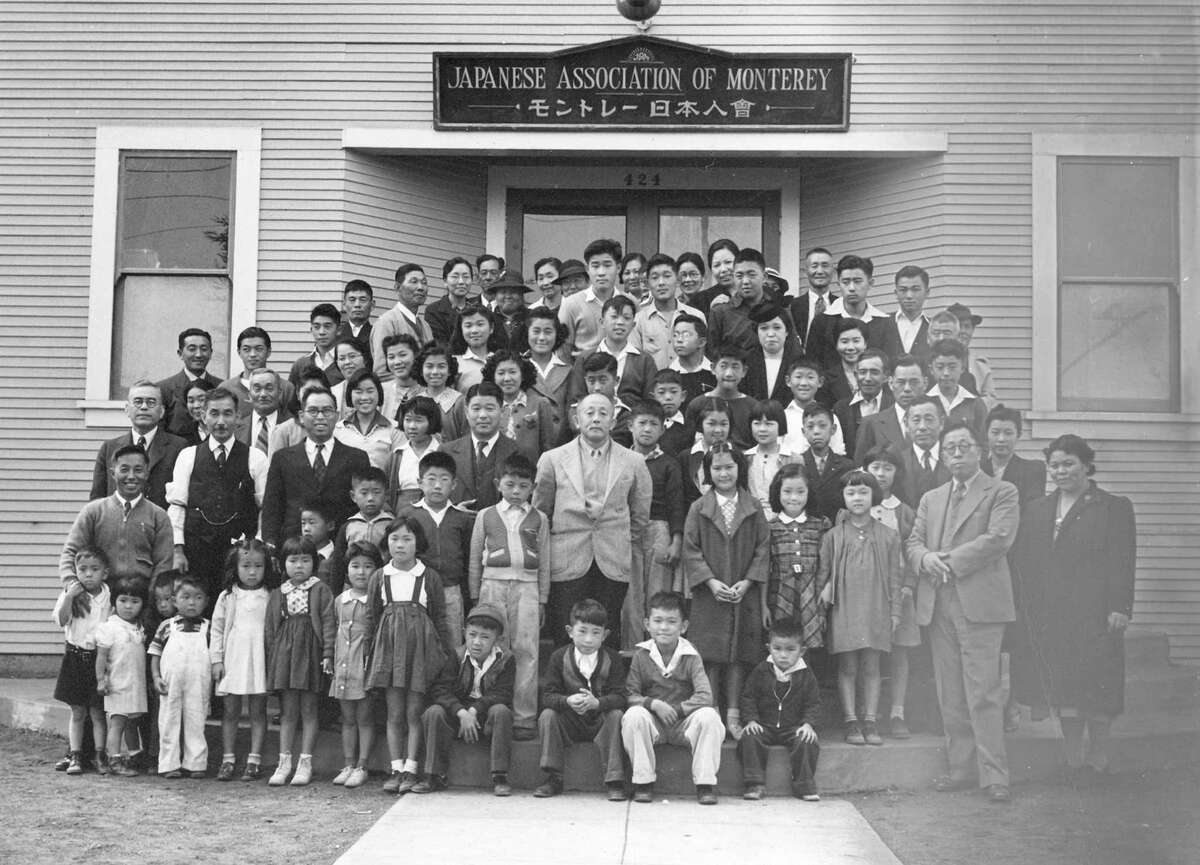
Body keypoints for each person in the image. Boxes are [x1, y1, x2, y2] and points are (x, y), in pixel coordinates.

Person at [905, 420, 1019, 803]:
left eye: (964, 446)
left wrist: (945, 561)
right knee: (950, 691)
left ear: (979, 451)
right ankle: (962, 769)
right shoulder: (932, 498)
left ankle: (995, 775)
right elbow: (914, 542)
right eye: (949, 448)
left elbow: (998, 539)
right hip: (938, 603)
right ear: (942, 455)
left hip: (980, 602)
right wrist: (925, 559)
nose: (956, 454)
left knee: (983, 691)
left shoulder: (1001, 491)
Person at [1012, 435, 1136, 782]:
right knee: (1064, 685)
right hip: (1054, 615)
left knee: (1098, 685)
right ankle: (1072, 759)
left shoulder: (1112, 506)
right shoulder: (1038, 508)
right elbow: (1028, 561)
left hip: (1097, 614)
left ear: (1086, 465)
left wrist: (1120, 606)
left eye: (1068, 464)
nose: (1060, 471)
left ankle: (1099, 757)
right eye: (1054, 465)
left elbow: (1123, 559)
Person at [535, 392, 652, 649]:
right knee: (565, 632)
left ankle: (605, 676)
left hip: (612, 557)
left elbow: (640, 514)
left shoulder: (634, 461)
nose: (596, 419)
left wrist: (618, 537)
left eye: (603, 413)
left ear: (613, 422)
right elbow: (541, 512)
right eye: (589, 413)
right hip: (567, 557)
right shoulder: (553, 459)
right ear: (577, 420)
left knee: (607, 633)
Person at [683, 442, 769, 739]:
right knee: (711, 654)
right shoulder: (699, 508)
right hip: (711, 595)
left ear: (739, 469)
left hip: (744, 594)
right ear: (708, 472)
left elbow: (762, 548)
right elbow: (690, 549)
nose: (723, 473)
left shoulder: (753, 506)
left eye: (729, 467)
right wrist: (710, 581)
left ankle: (733, 715)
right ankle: (712, 714)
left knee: (738, 656)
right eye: (717, 468)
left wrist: (747, 582)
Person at [365, 515, 454, 794]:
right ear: (387, 542)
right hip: (390, 651)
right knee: (394, 712)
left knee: (415, 712)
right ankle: (395, 768)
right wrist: (370, 653)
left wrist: (444, 654)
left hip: (419, 652)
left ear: (418, 543)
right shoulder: (380, 577)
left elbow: (439, 618)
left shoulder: (428, 576)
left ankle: (412, 769)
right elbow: (371, 618)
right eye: (394, 539)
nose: (400, 545)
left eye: (407, 539)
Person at [467, 453, 549, 741]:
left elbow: (545, 561)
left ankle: (524, 718)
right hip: (492, 586)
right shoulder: (485, 515)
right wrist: (475, 595)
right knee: (494, 648)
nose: (516, 491)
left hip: (527, 588)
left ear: (533, 488)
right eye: (510, 484)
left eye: (523, 486)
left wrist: (542, 599)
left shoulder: (539, 518)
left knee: (527, 650)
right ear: (497, 484)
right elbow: (475, 557)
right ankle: (493, 713)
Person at [819, 470, 903, 747]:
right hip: (844, 607)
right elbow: (823, 574)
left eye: (863, 492)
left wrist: (895, 612)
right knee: (848, 665)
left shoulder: (889, 536)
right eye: (851, 493)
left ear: (873, 495)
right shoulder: (833, 536)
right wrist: (824, 600)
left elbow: (895, 577)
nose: (857, 498)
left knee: (871, 665)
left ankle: (870, 719)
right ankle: (851, 720)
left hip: (875, 607)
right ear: (843, 497)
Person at [165, 387, 267, 606]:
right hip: (197, 552)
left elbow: (265, 509)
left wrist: (257, 546)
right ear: (204, 416)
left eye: (227, 414)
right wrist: (178, 550)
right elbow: (177, 506)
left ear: (238, 417)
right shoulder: (188, 456)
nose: (221, 421)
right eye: (214, 413)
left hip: (240, 556)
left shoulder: (255, 458)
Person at [621, 590, 725, 805]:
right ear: (647, 624)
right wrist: (653, 704)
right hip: (655, 724)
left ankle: (705, 784)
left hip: (682, 725)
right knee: (634, 715)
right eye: (658, 621)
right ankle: (643, 782)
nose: (664, 627)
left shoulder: (690, 656)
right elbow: (630, 694)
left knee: (709, 716)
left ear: (683, 626)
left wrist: (678, 710)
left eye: (671, 621)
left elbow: (705, 696)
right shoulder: (641, 656)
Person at [414, 603, 514, 796]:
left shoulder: (506, 659)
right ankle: (434, 774)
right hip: (457, 715)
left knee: (501, 711)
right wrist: (461, 712)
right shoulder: (456, 656)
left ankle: (500, 775)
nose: (477, 642)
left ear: (497, 639)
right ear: (464, 633)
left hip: (485, 716)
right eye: (472, 635)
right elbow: (441, 689)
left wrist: (474, 710)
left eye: (485, 637)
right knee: (433, 712)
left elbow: (503, 693)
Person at [535, 598, 628, 800]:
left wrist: (598, 703)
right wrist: (567, 701)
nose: (588, 639)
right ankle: (554, 776)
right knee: (548, 715)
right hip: (571, 722)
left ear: (605, 635)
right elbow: (547, 696)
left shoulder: (612, 658)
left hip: (600, 722)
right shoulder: (559, 657)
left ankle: (614, 779)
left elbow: (621, 696)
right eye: (582, 631)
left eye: (595, 633)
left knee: (617, 715)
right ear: (570, 631)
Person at [264, 536, 336, 787]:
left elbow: (328, 623)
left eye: (305, 560)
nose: (299, 566)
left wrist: (328, 654)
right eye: (293, 560)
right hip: (286, 654)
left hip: (310, 651)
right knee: (288, 711)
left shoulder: (321, 590)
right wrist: (273, 659)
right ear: (283, 563)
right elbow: (271, 629)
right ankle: (284, 762)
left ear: (313, 563)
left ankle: (305, 762)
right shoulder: (278, 593)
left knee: (309, 709)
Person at [261, 387, 371, 548]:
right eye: (313, 411)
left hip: (341, 547)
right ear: (301, 416)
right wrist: (270, 544)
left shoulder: (357, 458)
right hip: (294, 548)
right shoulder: (283, 458)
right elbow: (272, 508)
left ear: (337, 416)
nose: (320, 417)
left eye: (327, 410)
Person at [861, 445, 920, 739]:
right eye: (875, 467)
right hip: (865, 594)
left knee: (899, 653)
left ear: (897, 472)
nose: (881, 474)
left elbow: (912, 550)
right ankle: (868, 713)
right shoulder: (856, 505)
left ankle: (898, 712)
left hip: (899, 592)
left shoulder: (904, 511)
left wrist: (908, 585)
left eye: (887, 468)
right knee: (869, 654)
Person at [62, 444, 175, 589]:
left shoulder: (158, 516)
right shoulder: (93, 511)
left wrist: (152, 595)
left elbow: (163, 564)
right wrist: (73, 585)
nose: (131, 476)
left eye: (138, 470)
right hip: (98, 594)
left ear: (147, 474)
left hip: (140, 596)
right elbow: (70, 552)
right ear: (113, 473)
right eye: (124, 470)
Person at [210, 539, 276, 782]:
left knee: (258, 710)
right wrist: (217, 660)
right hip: (233, 658)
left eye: (258, 566)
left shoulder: (270, 595)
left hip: (259, 658)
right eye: (246, 566)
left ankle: (254, 760)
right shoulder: (228, 596)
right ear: (235, 567)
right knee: (231, 710)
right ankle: (228, 759)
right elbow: (217, 629)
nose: (252, 572)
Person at [738, 618, 822, 801]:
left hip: (793, 727)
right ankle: (755, 783)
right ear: (769, 648)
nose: (783, 655)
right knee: (750, 737)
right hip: (765, 726)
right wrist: (751, 720)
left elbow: (813, 703)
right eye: (777, 649)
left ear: (802, 651)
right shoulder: (761, 671)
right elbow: (748, 697)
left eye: (790, 650)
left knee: (806, 740)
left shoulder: (806, 674)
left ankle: (804, 785)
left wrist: (808, 724)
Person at [398, 451, 475, 648]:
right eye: (431, 479)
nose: (438, 485)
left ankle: (450, 669)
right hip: (416, 588)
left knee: (451, 641)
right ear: (420, 482)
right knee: (418, 641)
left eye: (444, 479)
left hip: (451, 589)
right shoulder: (409, 515)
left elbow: (468, 557)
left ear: (454, 484)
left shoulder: (461, 518)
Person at [627, 400, 686, 642]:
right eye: (642, 423)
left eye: (654, 424)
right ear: (630, 425)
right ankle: (632, 650)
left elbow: (676, 504)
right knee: (630, 595)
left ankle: (658, 649)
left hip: (659, 529)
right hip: (628, 531)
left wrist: (676, 540)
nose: (647, 429)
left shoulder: (669, 463)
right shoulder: (622, 459)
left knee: (658, 594)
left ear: (662, 429)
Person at [52, 547, 112, 775]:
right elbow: (61, 620)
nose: (88, 574)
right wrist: (69, 597)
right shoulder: (71, 593)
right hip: (75, 657)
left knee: (97, 711)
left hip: (98, 659)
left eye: (94, 569)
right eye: (83, 569)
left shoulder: (109, 596)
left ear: (105, 573)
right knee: (77, 711)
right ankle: (75, 755)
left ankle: (99, 755)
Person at [330, 540, 381, 789]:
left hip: (364, 664)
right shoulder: (340, 600)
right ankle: (348, 763)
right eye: (355, 566)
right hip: (343, 664)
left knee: (364, 717)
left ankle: (362, 765)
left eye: (368, 566)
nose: (361, 572)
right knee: (347, 718)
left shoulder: (377, 601)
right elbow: (334, 631)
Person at [148, 574, 211, 778]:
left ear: (206, 601)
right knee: (169, 719)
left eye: (198, 598)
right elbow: (155, 653)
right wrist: (156, 677)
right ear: (175, 601)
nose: (192, 603)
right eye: (186, 597)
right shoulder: (167, 626)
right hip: (171, 681)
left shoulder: (208, 628)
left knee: (196, 719)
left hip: (198, 681)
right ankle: (169, 764)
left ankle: (196, 763)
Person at [90, 380, 187, 509]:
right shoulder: (109, 448)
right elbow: (97, 500)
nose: (144, 407)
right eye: (138, 402)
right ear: (127, 409)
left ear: (162, 411)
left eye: (151, 402)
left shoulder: (179, 447)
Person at [765, 464, 831, 650]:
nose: (793, 498)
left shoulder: (821, 525)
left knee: (808, 647)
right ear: (778, 492)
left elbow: (826, 565)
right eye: (787, 491)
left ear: (809, 493)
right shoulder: (770, 527)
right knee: (783, 644)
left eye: (800, 492)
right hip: (780, 595)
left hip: (812, 594)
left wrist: (826, 591)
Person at [93, 575, 147, 777]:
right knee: (118, 722)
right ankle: (114, 759)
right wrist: (101, 680)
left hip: (135, 684)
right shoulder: (110, 627)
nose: (128, 606)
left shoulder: (139, 627)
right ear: (114, 601)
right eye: (123, 600)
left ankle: (134, 756)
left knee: (133, 722)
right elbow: (101, 656)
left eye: (135, 601)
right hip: (117, 683)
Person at [439, 381, 521, 512]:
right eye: (476, 409)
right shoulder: (446, 452)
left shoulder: (518, 452)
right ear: (466, 412)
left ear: (502, 411)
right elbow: (436, 496)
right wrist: (453, 510)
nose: (483, 415)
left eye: (490, 409)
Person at [566, 294, 658, 407]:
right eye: (614, 317)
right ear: (602, 322)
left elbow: (651, 403)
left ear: (633, 325)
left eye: (626, 318)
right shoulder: (585, 357)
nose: (620, 322)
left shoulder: (644, 360)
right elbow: (575, 401)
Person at [706, 247, 793, 361]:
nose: (745, 281)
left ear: (764, 277)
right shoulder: (720, 312)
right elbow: (712, 355)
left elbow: (793, 352)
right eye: (739, 276)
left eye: (751, 275)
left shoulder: (780, 309)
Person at [805, 254, 887, 373]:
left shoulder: (883, 323)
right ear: (839, 284)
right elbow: (812, 367)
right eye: (846, 282)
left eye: (857, 281)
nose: (851, 288)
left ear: (870, 283)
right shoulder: (822, 322)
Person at [325, 466, 393, 595]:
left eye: (376, 492)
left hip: (383, 588)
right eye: (364, 493)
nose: (370, 498)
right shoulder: (348, 526)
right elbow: (338, 565)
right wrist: (336, 595)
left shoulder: (392, 525)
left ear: (386, 495)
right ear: (353, 496)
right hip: (352, 589)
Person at [632, 253, 705, 369]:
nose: (661, 282)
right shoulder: (638, 321)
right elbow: (635, 364)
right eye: (655, 278)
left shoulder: (696, 316)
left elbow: (703, 360)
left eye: (667, 276)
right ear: (647, 284)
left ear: (678, 281)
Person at [484, 350, 556, 466]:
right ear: (493, 377)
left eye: (513, 372)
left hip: (531, 471)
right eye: (501, 373)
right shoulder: (487, 405)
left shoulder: (540, 403)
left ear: (523, 375)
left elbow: (548, 448)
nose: (507, 378)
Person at [559, 238, 624, 356]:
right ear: (587, 269)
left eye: (607, 265)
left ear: (618, 268)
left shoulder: (629, 303)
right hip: (582, 366)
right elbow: (562, 351)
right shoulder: (570, 304)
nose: (601, 272)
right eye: (595, 266)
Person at [683, 344, 755, 450]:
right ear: (713, 368)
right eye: (723, 366)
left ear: (744, 371)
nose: (729, 373)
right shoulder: (697, 404)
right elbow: (688, 444)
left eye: (735, 367)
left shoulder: (752, 406)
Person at [855, 354, 926, 459]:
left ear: (925, 383)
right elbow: (861, 465)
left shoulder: (938, 422)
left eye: (913, 382)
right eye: (901, 382)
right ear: (891, 383)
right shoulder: (871, 424)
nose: (907, 388)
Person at [156, 328, 222, 438]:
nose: (198, 354)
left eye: (204, 349)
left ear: (211, 353)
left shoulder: (222, 387)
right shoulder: (163, 389)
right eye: (192, 349)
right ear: (180, 353)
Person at [220, 326, 296, 420]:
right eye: (246, 349)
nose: (252, 354)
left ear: (268, 352)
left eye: (259, 349)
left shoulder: (285, 388)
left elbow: (293, 424)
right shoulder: (226, 388)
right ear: (239, 352)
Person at [334, 368, 403, 470]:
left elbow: (399, 468)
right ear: (350, 394)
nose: (364, 397)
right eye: (358, 392)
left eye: (370, 391)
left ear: (379, 393)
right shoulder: (338, 429)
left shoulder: (395, 429)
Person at [372, 263, 432, 379]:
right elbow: (381, 372)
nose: (421, 287)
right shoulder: (386, 322)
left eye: (424, 282)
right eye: (414, 282)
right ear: (397, 287)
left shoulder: (426, 326)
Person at [833, 348, 894, 462]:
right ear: (855, 375)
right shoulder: (841, 408)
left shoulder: (893, 405)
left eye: (874, 372)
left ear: (885, 376)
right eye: (862, 372)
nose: (867, 378)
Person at [799, 404, 857, 522]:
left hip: (839, 528)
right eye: (810, 426)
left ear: (833, 429)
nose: (816, 431)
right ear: (803, 431)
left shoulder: (847, 467)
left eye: (822, 426)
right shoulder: (798, 464)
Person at [778, 357, 847, 456]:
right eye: (798, 377)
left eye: (810, 377)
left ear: (820, 382)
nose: (803, 383)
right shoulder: (781, 417)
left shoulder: (831, 417)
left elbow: (837, 452)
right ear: (788, 381)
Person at [893, 395, 951, 510]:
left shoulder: (955, 458)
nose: (922, 427)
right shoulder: (897, 461)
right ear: (906, 424)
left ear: (942, 423)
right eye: (916, 420)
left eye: (929, 420)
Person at [385, 395, 442, 511]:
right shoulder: (396, 455)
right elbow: (386, 492)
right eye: (408, 420)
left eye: (419, 420)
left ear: (431, 422)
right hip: (402, 514)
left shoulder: (442, 451)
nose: (412, 426)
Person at [743, 301, 805, 405]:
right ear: (757, 332)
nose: (771, 334)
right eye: (764, 328)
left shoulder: (799, 362)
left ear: (787, 331)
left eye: (777, 328)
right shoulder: (746, 362)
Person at [982, 405, 1044, 508]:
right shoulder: (977, 470)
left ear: (1018, 435)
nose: (1001, 439)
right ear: (987, 434)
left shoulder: (1032, 471)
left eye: (1008, 433)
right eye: (995, 433)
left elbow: (1033, 511)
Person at [744, 398, 797, 517]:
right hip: (752, 518)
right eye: (757, 423)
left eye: (769, 424)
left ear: (780, 425)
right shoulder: (746, 458)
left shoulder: (792, 459)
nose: (762, 429)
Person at [928, 338, 988, 439]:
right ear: (931, 369)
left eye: (952, 367)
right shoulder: (924, 402)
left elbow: (983, 441)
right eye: (940, 367)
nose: (946, 373)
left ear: (962, 368)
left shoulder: (975, 404)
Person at [522, 307, 571, 425]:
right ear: (527, 333)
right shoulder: (517, 368)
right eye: (536, 331)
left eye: (548, 332)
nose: (542, 338)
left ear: (557, 334)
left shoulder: (568, 370)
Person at [680, 397, 732, 509]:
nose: (718, 430)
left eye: (724, 424)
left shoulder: (737, 456)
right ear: (700, 424)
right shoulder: (686, 457)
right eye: (711, 424)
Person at [947, 302, 999, 408]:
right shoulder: (934, 361)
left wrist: (974, 405)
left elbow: (990, 399)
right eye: (959, 326)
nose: (963, 332)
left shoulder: (980, 366)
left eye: (967, 327)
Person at [878, 265, 932, 365]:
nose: (909, 296)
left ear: (927, 292)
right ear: (896, 293)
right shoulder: (881, 325)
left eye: (915, 289)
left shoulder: (934, 328)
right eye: (903, 290)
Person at [233, 368, 292, 456]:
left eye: (269, 388)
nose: (263, 394)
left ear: (279, 393)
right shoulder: (235, 428)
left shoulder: (292, 426)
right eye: (257, 389)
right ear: (249, 395)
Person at [413, 342, 465, 440]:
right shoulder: (415, 401)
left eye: (441, 366)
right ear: (421, 371)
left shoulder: (459, 401)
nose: (435, 372)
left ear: (449, 371)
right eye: (429, 366)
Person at [788, 246, 837, 345]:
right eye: (814, 266)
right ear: (805, 272)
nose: (820, 271)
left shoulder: (841, 305)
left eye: (825, 266)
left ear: (833, 271)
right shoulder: (792, 307)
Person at [288, 303, 343, 391]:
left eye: (327, 326)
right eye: (317, 327)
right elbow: (292, 397)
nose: (322, 332)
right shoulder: (300, 365)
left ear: (339, 330)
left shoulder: (345, 363)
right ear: (311, 330)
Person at [450, 303, 502, 392]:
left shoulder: (502, 360)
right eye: (468, 326)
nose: (474, 330)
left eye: (480, 324)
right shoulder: (453, 362)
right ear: (461, 329)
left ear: (491, 328)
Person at [668, 313, 717, 406]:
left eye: (686, 335)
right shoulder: (668, 376)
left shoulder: (716, 374)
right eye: (675, 335)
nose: (679, 340)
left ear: (702, 342)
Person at [425, 257, 475, 346]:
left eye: (466, 277)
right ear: (445, 281)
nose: (461, 281)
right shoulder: (433, 311)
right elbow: (441, 345)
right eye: (455, 277)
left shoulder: (477, 309)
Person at [686, 238, 738, 315]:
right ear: (711, 269)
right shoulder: (699, 300)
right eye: (717, 265)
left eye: (728, 262)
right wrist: (712, 313)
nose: (723, 269)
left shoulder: (753, 293)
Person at [650, 369, 693, 457]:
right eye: (661, 392)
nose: (668, 397)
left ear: (683, 396)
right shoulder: (648, 425)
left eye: (674, 392)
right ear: (653, 398)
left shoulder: (691, 425)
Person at [380, 333, 423, 421]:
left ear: (415, 355)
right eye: (391, 357)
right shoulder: (380, 390)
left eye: (403, 355)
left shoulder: (428, 392)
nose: (397, 362)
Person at [336, 279, 375, 369]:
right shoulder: (336, 336)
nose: (357, 305)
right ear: (344, 305)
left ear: (372, 305)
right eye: (352, 300)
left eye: (363, 300)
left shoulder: (377, 334)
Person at [488, 270, 530, 349]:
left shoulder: (533, 319)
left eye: (513, 292)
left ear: (521, 295)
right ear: (495, 296)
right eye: (503, 292)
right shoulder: (488, 320)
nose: (508, 296)